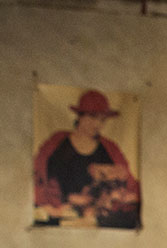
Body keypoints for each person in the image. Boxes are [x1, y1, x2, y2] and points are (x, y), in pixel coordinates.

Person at [32, 90, 141, 228]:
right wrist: (50, 206)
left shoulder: (110, 148)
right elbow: (36, 175)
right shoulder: (57, 142)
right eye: (92, 117)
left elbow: (128, 183)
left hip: (96, 218)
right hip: (55, 212)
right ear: (80, 116)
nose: (98, 124)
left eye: (102, 120)